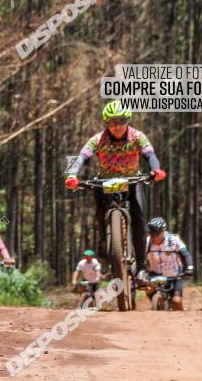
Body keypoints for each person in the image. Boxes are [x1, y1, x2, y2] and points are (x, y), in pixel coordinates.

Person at [64, 101, 166, 271]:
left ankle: (141, 267)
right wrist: (72, 175)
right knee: (100, 216)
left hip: (132, 181)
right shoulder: (97, 139)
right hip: (105, 182)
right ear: (107, 123)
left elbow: (149, 154)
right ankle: (105, 249)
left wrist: (156, 170)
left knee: (140, 221)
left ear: (127, 121)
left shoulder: (137, 136)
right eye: (112, 122)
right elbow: (81, 157)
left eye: (121, 121)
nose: (117, 126)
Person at [144, 217, 194, 311]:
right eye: (151, 233)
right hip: (155, 276)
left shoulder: (173, 240)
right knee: (147, 287)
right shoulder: (147, 242)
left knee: (176, 301)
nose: (153, 237)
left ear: (163, 231)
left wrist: (190, 268)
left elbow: (186, 255)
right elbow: (139, 259)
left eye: (156, 233)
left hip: (174, 277)